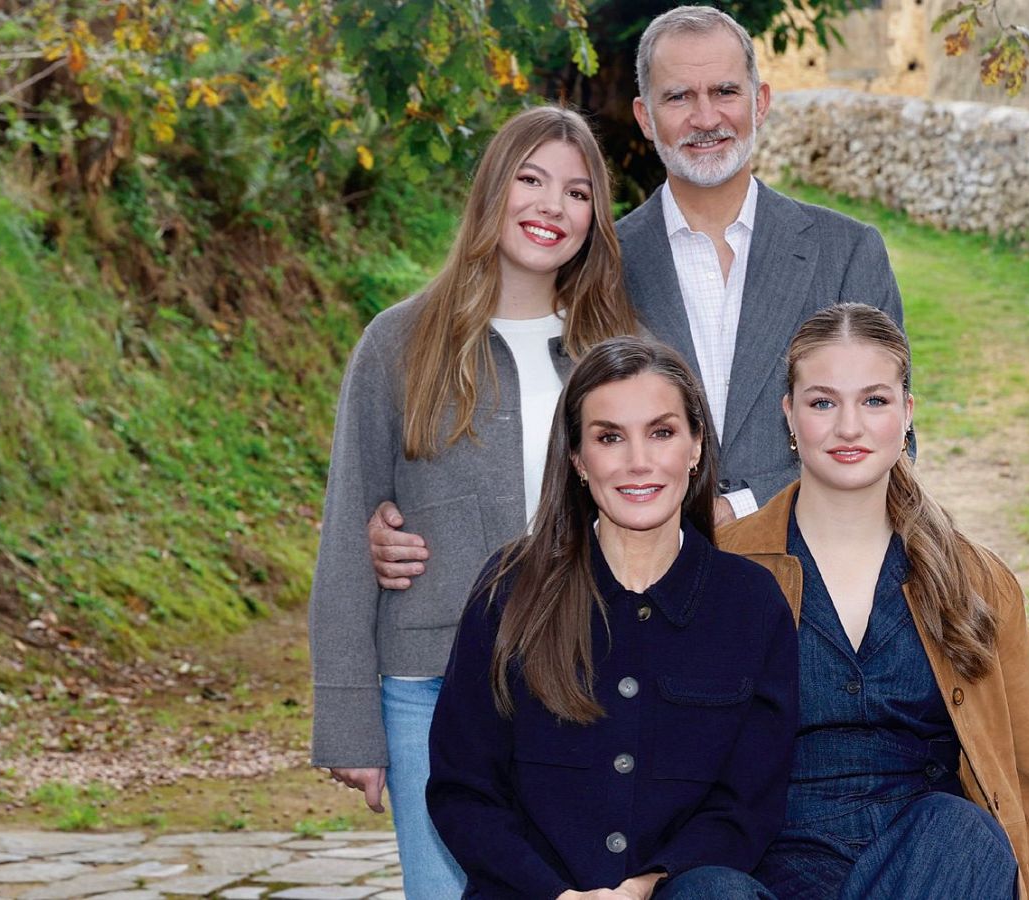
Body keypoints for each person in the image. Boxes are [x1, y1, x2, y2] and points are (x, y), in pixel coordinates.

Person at [366, 5, 904, 588]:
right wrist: (412, 512)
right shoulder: (596, 264)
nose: (705, 117)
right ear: (645, 117)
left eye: (725, 91)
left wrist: (741, 508)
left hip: (815, 584)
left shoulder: (847, 252)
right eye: (678, 97)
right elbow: (529, 400)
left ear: (760, 101)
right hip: (636, 603)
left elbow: (896, 439)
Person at [307, 106, 638, 898]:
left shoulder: (618, 349)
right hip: (431, 686)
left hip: (587, 679)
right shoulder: (399, 342)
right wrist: (350, 721)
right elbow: (351, 530)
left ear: (595, 218)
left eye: (577, 193)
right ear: (492, 189)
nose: (550, 208)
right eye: (530, 180)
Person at [718, 304, 1029, 899]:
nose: (849, 427)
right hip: (768, 867)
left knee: (963, 830)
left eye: (874, 400)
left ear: (907, 413)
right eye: (822, 402)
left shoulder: (976, 581)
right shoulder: (721, 569)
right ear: (789, 415)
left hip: (930, 873)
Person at [427, 336, 799, 900]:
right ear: (576, 458)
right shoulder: (509, 588)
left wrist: (646, 887)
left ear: (696, 446)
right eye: (609, 438)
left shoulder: (752, 603)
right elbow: (465, 790)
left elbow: (748, 803)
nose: (638, 462)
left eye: (662, 432)